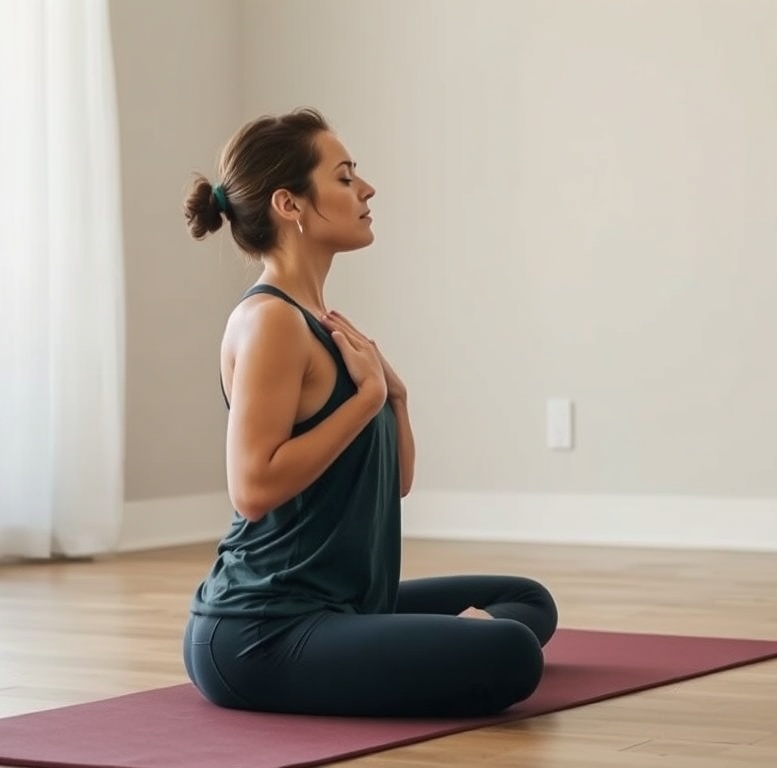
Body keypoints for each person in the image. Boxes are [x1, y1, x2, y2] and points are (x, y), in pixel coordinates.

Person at [180, 107, 558, 718]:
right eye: (345, 176)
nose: (367, 189)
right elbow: (251, 489)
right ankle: (425, 650)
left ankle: (402, 647)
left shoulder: (324, 324)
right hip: (260, 632)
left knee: (526, 599)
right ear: (290, 204)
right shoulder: (271, 320)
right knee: (512, 649)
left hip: (347, 605)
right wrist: (366, 401)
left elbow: (396, 483)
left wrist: (396, 400)